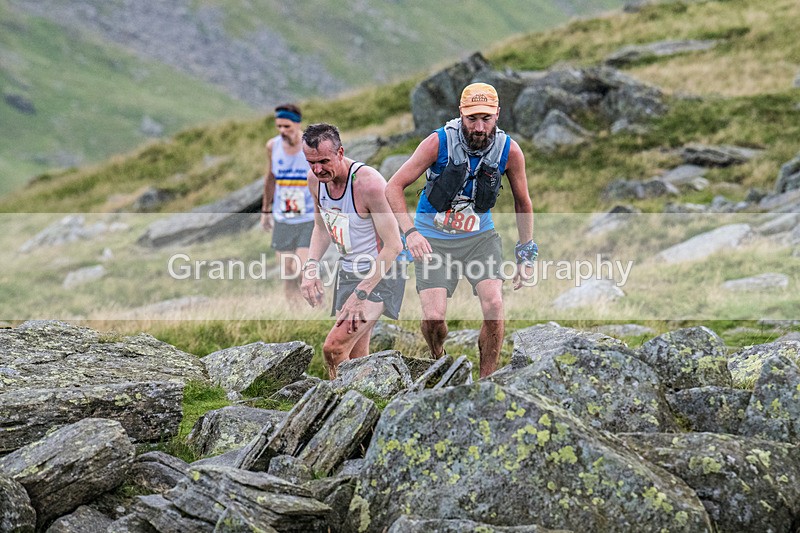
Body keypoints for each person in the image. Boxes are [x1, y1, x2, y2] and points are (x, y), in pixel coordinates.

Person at [385, 82, 536, 378]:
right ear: (460, 114)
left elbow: (523, 202)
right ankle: (439, 357)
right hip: (433, 240)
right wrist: (411, 233)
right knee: (433, 318)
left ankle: (486, 380)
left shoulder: (510, 150)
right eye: (472, 119)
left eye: (486, 119)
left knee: (493, 305)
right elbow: (393, 187)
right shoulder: (438, 142)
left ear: (498, 115)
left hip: (480, 238)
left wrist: (527, 254)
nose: (479, 127)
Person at [299, 123, 406, 379]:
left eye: (324, 161)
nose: (317, 169)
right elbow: (321, 228)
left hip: (382, 275)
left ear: (340, 152)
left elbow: (394, 246)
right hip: (348, 273)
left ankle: (337, 408)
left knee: (334, 349)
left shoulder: (369, 184)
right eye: (310, 162)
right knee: (358, 358)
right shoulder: (315, 180)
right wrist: (310, 268)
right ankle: (369, 405)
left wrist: (361, 293)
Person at [261, 103, 315, 301]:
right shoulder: (273, 146)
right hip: (283, 218)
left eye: (287, 127)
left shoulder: (310, 146)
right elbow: (270, 178)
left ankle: (319, 310)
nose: (282, 131)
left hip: (308, 218)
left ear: (297, 124)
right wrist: (265, 210)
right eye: (279, 127)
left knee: (303, 270)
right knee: (288, 274)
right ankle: (296, 317)